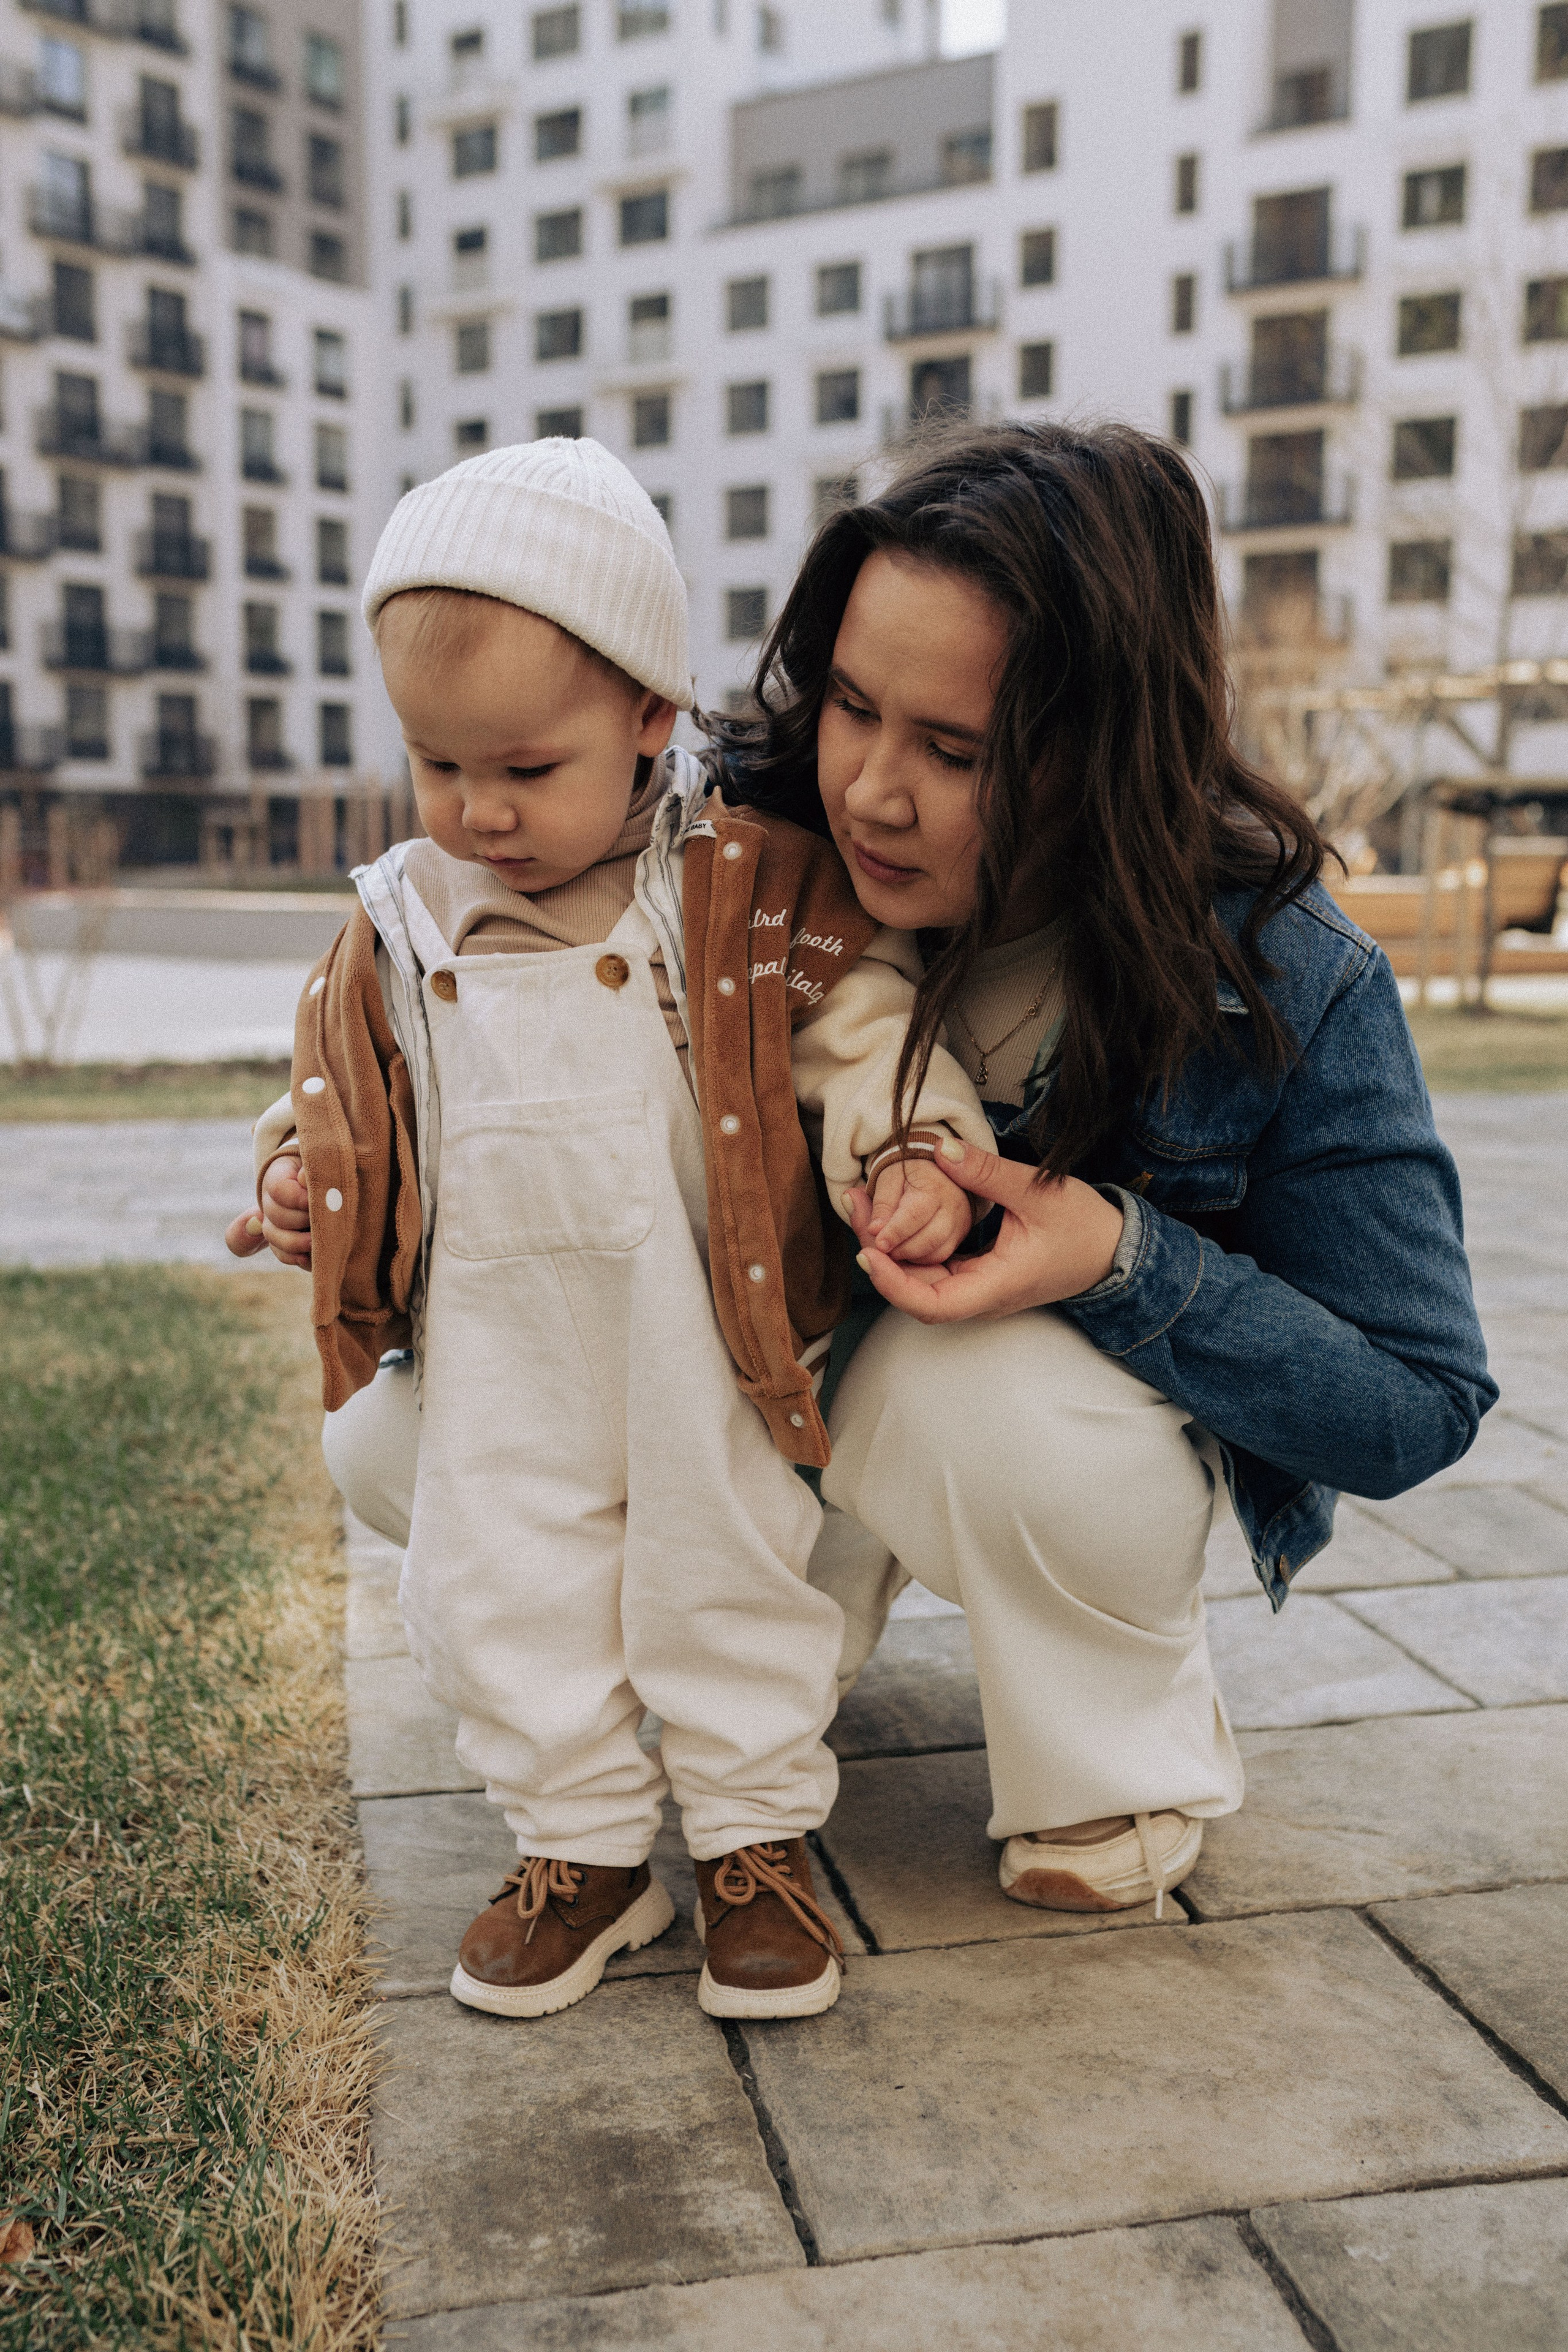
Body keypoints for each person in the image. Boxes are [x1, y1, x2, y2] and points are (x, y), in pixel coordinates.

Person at [246, 420, 1496, 1928]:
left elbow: (1415, 1404)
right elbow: (468, 1035)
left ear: (1102, 748)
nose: (872, 793)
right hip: (760, 1359)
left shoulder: (1281, 970)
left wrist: (1112, 1250)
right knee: (402, 1436)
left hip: (1005, 1415)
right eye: (849, 705)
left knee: (966, 1389)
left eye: (955, 751)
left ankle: (1111, 1748)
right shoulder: (711, 842)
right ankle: (732, 1691)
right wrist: (334, 1161)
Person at [231, 437, 993, 2022]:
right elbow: (345, 1092)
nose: (479, 812)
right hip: (496, 1346)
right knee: (498, 1585)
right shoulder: (400, 922)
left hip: (695, 1336)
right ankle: (578, 1850)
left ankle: (752, 1840)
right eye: (440, 767)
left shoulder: (731, 886)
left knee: (725, 1572)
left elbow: (863, 1026)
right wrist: (301, 1177)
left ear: (651, 718)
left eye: (525, 769)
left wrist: (911, 1147)